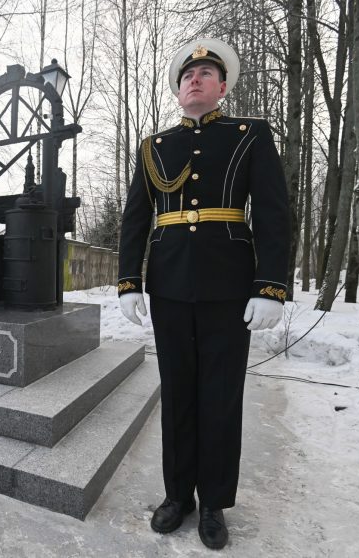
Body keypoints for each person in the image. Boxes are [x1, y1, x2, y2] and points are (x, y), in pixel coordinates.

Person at [116, 38, 290, 550]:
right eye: (187, 75)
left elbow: (274, 214)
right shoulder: (155, 146)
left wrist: (270, 286)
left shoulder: (249, 135)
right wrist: (130, 281)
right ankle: (177, 496)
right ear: (177, 91)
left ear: (223, 87)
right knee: (177, 394)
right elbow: (135, 219)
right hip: (169, 284)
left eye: (207, 73)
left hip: (228, 285)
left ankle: (214, 501)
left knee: (220, 396)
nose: (195, 79)